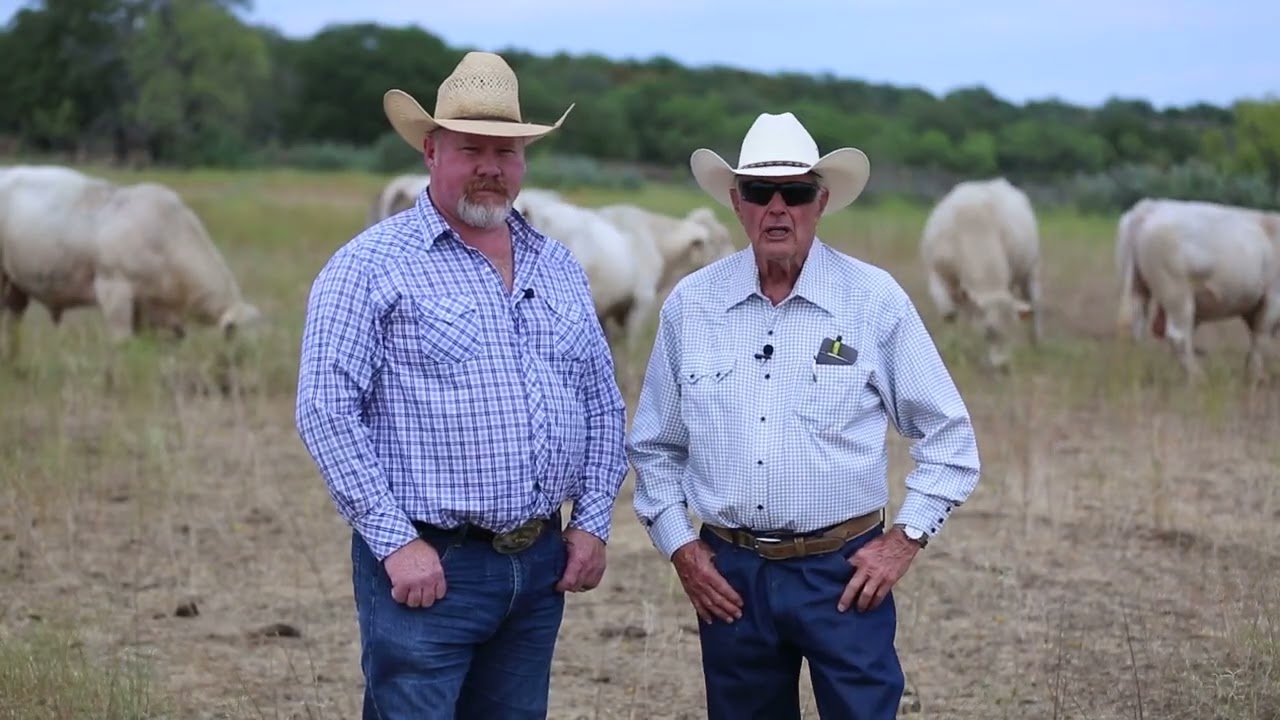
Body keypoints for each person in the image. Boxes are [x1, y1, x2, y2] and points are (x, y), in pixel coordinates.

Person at [295, 51, 629, 720]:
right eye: (471, 148)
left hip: (538, 563)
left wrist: (592, 521)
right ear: (431, 150)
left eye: (506, 151)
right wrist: (396, 543)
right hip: (430, 563)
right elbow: (326, 411)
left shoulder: (558, 266)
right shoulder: (369, 266)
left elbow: (601, 401)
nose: (491, 166)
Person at [626, 111, 982, 720]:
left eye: (794, 193)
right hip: (729, 577)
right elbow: (656, 446)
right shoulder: (691, 305)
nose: (777, 209)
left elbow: (949, 438)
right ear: (736, 203)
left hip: (842, 574)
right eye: (760, 192)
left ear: (821, 202)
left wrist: (903, 541)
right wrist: (681, 547)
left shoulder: (873, 300)